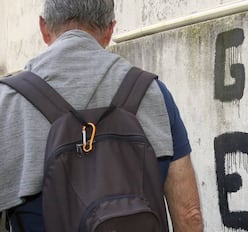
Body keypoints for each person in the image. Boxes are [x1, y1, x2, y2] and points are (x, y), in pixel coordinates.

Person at [0, 0, 203, 231]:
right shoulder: (153, 93)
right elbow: (190, 215)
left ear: (44, 28)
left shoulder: (7, 103)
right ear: (110, 30)